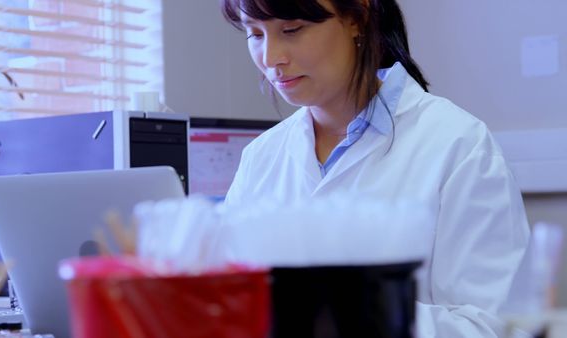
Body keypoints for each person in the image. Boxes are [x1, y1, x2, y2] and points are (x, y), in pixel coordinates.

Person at [220, 0, 530, 336]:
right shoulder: (261, 157)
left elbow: (495, 326)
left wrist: (353, 308)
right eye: (254, 34)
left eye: (292, 30)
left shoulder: (459, 144)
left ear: (357, 18)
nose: (270, 58)